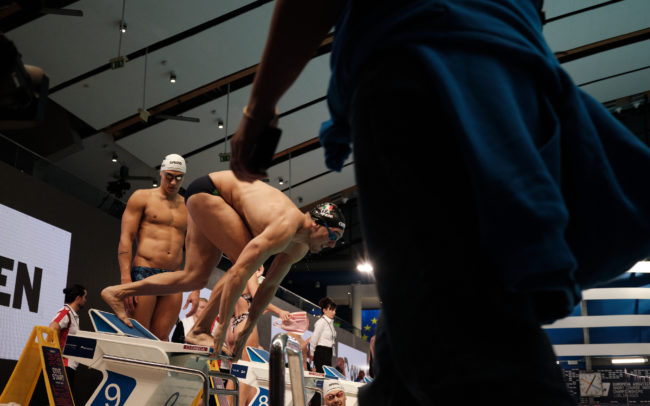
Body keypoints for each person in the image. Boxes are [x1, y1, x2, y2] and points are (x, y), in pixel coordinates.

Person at [228, 1, 650, 404]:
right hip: (515, 86)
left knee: (461, 341)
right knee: (411, 350)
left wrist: (259, 109)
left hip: (422, 70)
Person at [102, 170, 346, 361]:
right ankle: (200, 330)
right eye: (333, 236)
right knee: (244, 264)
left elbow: (269, 286)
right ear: (317, 224)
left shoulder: (299, 248)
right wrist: (221, 325)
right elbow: (240, 272)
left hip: (204, 195)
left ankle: (117, 292)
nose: (332, 245)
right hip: (212, 192)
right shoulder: (286, 226)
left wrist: (248, 326)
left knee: (194, 278)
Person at [116, 153, 190, 341]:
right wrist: (126, 279)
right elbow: (126, 237)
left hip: (173, 277)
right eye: (169, 176)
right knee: (139, 336)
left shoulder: (188, 206)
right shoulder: (142, 197)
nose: (173, 182)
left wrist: (195, 288)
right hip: (145, 271)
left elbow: (194, 246)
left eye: (178, 178)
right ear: (161, 173)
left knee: (162, 339)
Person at [48, 284, 87, 388]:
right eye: (84, 297)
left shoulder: (72, 314)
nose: (85, 300)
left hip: (68, 367)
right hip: (62, 366)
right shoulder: (66, 311)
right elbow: (53, 327)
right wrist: (57, 352)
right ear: (78, 298)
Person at [311, 297, 337, 373]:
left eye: (334, 310)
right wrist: (312, 353)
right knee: (322, 375)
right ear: (324, 310)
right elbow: (314, 338)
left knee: (327, 375)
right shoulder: (321, 322)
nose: (334, 312)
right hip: (321, 352)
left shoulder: (331, 324)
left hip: (328, 352)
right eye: (331, 310)